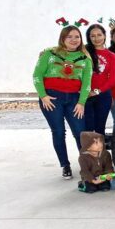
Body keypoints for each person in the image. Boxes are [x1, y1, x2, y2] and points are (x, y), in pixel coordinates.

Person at [34, 24, 93, 179]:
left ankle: (86, 165)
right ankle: (65, 165)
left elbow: (87, 83)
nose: (74, 40)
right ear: (62, 38)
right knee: (58, 132)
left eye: (77, 36)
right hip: (52, 99)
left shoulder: (85, 59)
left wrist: (81, 102)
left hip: (74, 99)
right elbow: (37, 75)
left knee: (80, 133)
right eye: (69, 37)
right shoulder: (50, 53)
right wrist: (43, 95)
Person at [83, 24, 115, 136]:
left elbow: (112, 79)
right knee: (87, 128)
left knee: (99, 128)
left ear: (104, 36)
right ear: (89, 37)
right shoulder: (83, 52)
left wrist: (96, 91)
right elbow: (65, 48)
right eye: (92, 36)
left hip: (102, 95)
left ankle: (100, 153)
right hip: (85, 94)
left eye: (99, 35)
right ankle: (88, 153)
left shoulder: (111, 55)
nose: (96, 38)